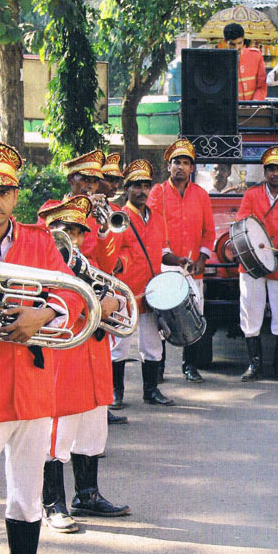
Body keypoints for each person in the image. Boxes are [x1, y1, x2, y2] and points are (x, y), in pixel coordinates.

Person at [0, 142, 84, 554]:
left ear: (16, 196)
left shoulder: (39, 242)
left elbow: (74, 295)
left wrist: (42, 315)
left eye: (3, 192)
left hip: (34, 386)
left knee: (28, 488)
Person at [38, 187, 130, 537]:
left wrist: (113, 304)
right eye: (67, 230)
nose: (73, 238)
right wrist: (96, 304)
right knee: (59, 431)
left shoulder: (83, 262)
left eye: (78, 231)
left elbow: (111, 274)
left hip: (94, 351)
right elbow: (53, 303)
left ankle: (87, 494)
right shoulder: (44, 261)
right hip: (65, 352)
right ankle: (52, 504)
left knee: (92, 429)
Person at [147, 139, 216, 383]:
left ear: (192, 169)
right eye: (177, 162)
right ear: (169, 166)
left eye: (186, 163)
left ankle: (190, 366)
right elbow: (152, 230)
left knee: (195, 315)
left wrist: (202, 259)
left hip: (193, 269)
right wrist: (172, 258)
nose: (181, 167)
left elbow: (209, 232)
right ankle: (158, 369)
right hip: (165, 265)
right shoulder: (157, 192)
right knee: (162, 319)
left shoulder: (201, 195)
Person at [111, 159, 175, 407]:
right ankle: (116, 393)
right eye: (136, 185)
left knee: (152, 345)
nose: (142, 191)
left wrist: (178, 260)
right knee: (119, 345)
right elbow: (112, 257)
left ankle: (151, 391)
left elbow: (162, 252)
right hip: (125, 293)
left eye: (146, 185)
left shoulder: (157, 217)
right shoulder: (120, 217)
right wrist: (123, 262)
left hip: (152, 293)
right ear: (127, 189)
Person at [236, 146, 278, 381]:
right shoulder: (251, 195)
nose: (275, 173)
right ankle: (254, 366)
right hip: (252, 265)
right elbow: (242, 225)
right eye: (271, 169)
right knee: (250, 313)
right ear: (265, 171)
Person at [223, 23, 267, 101]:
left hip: (253, 108)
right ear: (225, 42)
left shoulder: (255, 55)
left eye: (240, 43)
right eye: (232, 44)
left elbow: (262, 86)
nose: (237, 48)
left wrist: (254, 103)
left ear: (243, 39)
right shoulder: (219, 60)